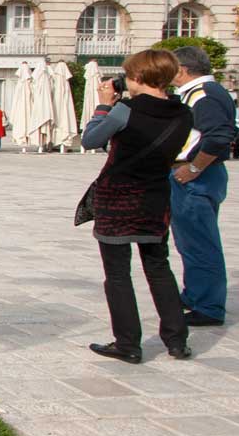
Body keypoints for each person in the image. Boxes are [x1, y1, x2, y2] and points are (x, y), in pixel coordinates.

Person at [79, 48, 195, 364]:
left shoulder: (125, 111)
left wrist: (103, 105)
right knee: (159, 268)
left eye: (129, 75)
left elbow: (89, 140)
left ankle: (128, 343)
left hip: (119, 197)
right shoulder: (183, 113)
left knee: (117, 273)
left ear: (139, 77)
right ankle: (176, 340)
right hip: (155, 197)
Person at [169, 44, 235, 328]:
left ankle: (208, 305)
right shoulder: (205, 92)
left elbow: (219, 136)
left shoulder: (203, 96)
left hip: (197, 177)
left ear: (182, 70)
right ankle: (195, 294)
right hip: (200, 176)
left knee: (200, 242)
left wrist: (194, 167)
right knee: (189, 241)